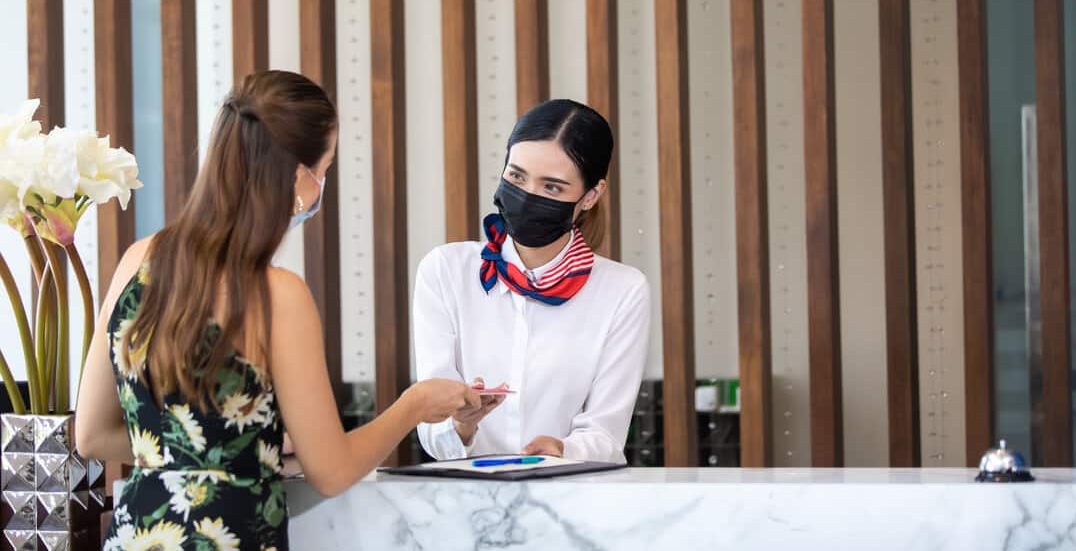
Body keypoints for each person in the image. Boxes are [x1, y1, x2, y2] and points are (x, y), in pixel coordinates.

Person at [75, 71, 480, 550]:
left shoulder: (135, 261)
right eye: (325, 169)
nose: (322, 186)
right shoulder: (277, 295)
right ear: (297, 178)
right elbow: (331, 472)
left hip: (135, 535)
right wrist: (414, 405)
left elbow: (93, 435)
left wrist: (237, 444)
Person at [413, 99, 651, 463]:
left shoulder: (622, 291)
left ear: (591, 196)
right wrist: (462, 425)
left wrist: (562, 450)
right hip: (464, 501)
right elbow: (432, 429)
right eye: (517, 177)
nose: (527, 196)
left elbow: (605, 434)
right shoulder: (445, 271)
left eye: (552, 188)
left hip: (572, 501)